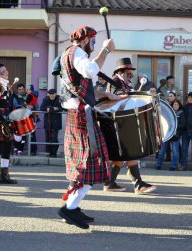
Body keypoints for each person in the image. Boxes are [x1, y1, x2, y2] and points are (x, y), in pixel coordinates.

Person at [56, 25, 122, 229]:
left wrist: (105, 95)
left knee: (86, 166)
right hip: (82, 117)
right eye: (92, 41)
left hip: (79, 115)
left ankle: (72, 206)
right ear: (85, 40)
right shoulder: (76, 52)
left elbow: (82, 85)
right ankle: (69, 208)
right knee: (89, 166)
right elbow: (92, 70)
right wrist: (107, 49)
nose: (93, 46)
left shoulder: (70, 54)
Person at [105, 57, 157, 194]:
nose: (131, 76)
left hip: (123, 122)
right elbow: (116, 98)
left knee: (119, 157)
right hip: (119, 123)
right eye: (129, 73)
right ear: (120, 72)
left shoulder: (124, 83)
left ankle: (110, 183)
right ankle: (138, 184)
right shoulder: (115, 82)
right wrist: (131, 94)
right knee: (130, 153)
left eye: (132, 74)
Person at [156, 100, 185, 171]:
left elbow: (182, 124)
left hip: (176, 135)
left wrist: (174, 126)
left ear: (179, 106)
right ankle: (158, 165)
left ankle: (173, 166)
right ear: (172, 106)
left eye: (177, 105)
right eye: (174, 105)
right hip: (167, 134)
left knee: (175, 152)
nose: (176, 106)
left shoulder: (182, 113)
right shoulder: (169, 113)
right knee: (162, 151)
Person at [40, 88, 63, 158]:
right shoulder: (46, 99)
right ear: (48, 94)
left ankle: (54, 153)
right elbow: (42, 108)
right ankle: (50, 152)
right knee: (48, 137)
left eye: (53, 94)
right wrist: (53, 108)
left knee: (54, 138)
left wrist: (50, 109)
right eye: (50, 94)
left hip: (56, 122)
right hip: (48, 122)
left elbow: (61, 108)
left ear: (56, 94)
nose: (52, 96)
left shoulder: (59, 99)